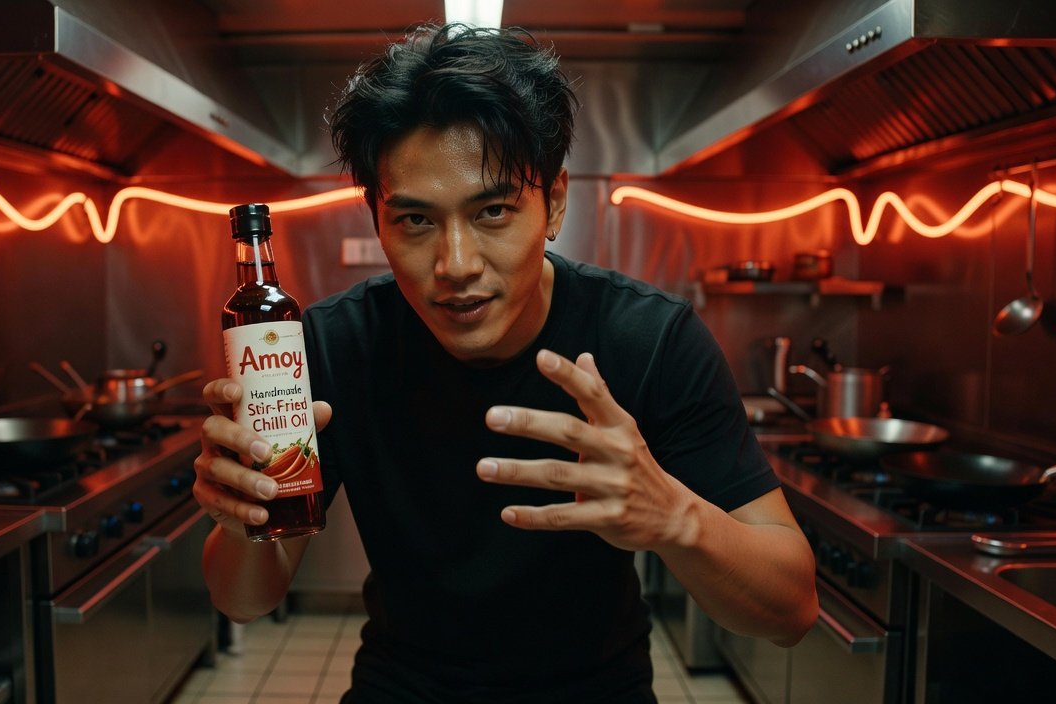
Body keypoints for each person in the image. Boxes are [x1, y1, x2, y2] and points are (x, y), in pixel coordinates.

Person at [194, 23, 817, 704]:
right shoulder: (332, 346)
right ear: (376, 219)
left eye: (492, 211)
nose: (456, 265)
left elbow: (791, 612)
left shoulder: (648, 340)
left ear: (555, 202)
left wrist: (676, 518)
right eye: (416, 221)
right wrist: (240, 516)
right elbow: (244, 602)